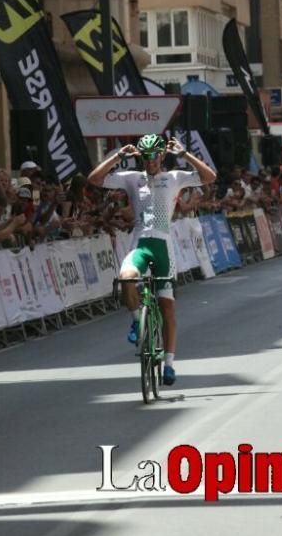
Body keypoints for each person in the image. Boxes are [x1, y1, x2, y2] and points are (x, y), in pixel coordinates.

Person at [87, 134, 216, 386]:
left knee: (167, 308)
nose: (150, 161)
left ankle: (168, 363)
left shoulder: (175, 177)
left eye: (155, 156)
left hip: (164, 247)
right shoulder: (133, 179)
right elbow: (95, 179)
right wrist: (118, 156)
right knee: (126, 278)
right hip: (141, 243)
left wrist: (185, 155)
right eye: (146, 157)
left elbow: (210, 177)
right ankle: (137, 323)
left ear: (162, 156)